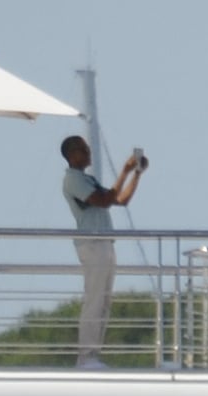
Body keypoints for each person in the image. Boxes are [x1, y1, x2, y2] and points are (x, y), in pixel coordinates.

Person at [60, 136, 148, 368]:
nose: (88, 152)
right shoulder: (72, 180)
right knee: (94, 298)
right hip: (92, 243)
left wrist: (135, 174)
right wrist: (124, 171)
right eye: (83, 149)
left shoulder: (86, 179)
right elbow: (104, 200)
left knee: (104, 300)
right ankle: (86, 356)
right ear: (72, 154)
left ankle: (93, 354)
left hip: (104, 242)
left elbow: (120, 199)